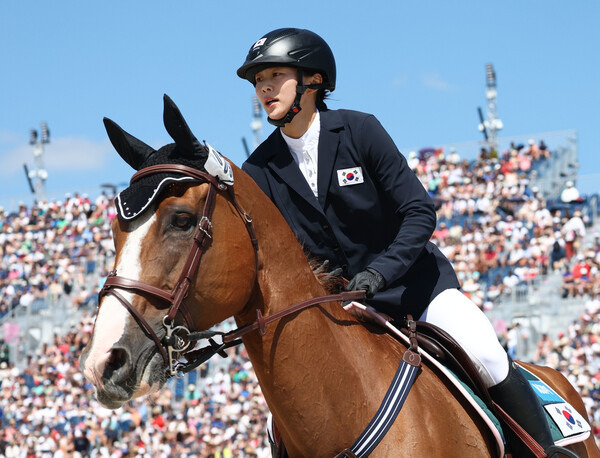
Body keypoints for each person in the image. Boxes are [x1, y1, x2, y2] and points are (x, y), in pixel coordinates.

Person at [237, 28, 570, 457]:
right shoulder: (259, 167)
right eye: (257, 80)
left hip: (417, 289)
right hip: (344, 313)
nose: (263, 87)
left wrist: (380, 272)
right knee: (279, 424)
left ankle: (545, 451)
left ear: (313, 80)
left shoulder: (359, 130)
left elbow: (418, 211)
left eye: (274, 74)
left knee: (485, 351)